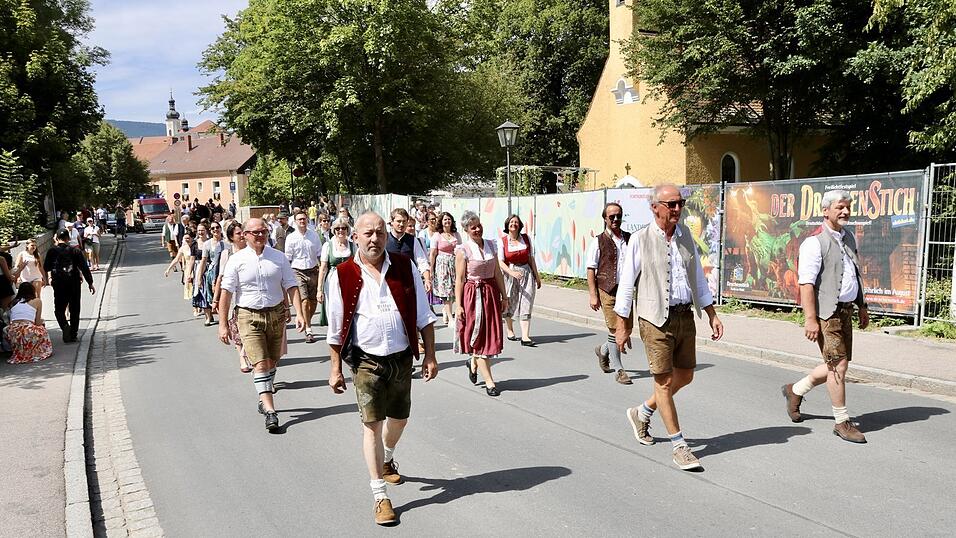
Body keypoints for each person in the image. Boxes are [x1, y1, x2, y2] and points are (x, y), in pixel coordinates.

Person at [325, 212, 438, 526]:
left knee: (399, 420)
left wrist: (430, 355)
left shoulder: (404, 267)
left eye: (379, 233)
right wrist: (335, 369)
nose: (374, 239)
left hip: (401, 358)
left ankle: (387, 458)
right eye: (368, 234)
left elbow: (424, 316)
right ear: (355, 237)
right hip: (366, 362)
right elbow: (335, 330)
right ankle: (380, 497)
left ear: (386, 235)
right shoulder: (341, 274)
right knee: (372, 424)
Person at [615, 184, 723, 471]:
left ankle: (642, 411)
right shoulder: (639, 239)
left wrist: (712, 313)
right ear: (655, 207)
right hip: (654, 319)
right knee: (663, 381)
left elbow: (697, 277)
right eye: (671, 204)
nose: (677, 209)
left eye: (680, 204)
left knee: (685, 375)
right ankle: (679, 445)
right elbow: (626, 285)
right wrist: (621, 326)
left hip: (684, 315)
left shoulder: (686, 235)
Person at [782, 190, 869, 443]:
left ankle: (794, 390)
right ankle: (841, 422)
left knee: (838, 363)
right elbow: (806, 283)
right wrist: (810, 319)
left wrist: (862, 306)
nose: (845, 212)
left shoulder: (849, 237)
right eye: (840, 207)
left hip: (846, 310)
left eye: (847, 208)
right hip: (826, 313)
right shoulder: (814, 242)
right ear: (826, 211)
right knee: (838, 365)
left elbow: (855, 272)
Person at [218, 218, 305, 432]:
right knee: (260, 363)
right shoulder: (236, 260)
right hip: (248, 315)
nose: (260, 235)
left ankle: (263, 392)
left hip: (275, 313)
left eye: (264, 231)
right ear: (245, 235)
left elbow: (291, 285)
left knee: (273, 360)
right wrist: (222, 324)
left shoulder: (279, 258)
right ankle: (270, 410)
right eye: (255, 232)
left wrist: (300, 313)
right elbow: (226, 293)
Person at [455, 210, 508, 397]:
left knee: (489, 335)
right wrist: (459, 304)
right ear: (466, 230)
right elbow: (460, 279)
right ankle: (489, 381)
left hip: (491, 294)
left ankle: (473, 362)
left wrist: (505, 296)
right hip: (473, 296)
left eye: (479, 225)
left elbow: (498, 273)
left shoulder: (492, 245)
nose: (477, 229)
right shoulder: (463, 250)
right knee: (479, 338)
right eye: (473, 227)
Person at [586, 202, 634, 385]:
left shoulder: (629, 238)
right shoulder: (598, 241)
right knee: (615, 330)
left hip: (626, 291)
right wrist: (593, 294)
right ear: (605, 219)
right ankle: (619, 370)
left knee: (627, 330)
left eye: (618, 216)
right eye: (611, 216)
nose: (615, 219)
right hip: (607, 290)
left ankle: (603, 350)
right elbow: (591, 269)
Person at [214, 221, 253, 373]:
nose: (242, 235)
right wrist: (216, 299)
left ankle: (248, 352)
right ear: (231, 237)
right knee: (235, 327)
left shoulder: (253, 250)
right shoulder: (227, 254)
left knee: (248, 327)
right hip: (232, 295)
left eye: (243, 232)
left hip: (248, 294)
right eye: (238, 233)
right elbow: (220, 277)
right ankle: (242, 356)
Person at [43, 229, 95, 343]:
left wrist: (49, 279)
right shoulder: (75, 251)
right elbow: (84, 268)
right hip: (74, 282)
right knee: (74, 309)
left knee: (59, 309)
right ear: (68, 238)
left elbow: (46, 267)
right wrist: (90, 282)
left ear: (56, 238)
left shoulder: (52, 251)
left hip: (59, 283)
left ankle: (65, 326)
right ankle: (73, 334)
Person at [498, 214, 541, 346]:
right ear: (507, 225)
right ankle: (510, 329)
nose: (514, 224)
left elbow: (530, 258)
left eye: (516, 222)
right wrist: (511, 272)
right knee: (510, 302)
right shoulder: (503, 241)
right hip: (510, 274)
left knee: (527, 302)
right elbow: (500, 261)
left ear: (519, 225)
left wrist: (537, 276)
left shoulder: (526, 239)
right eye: (511, 222)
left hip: (526, 273)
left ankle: (525, 336)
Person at [285, 211, 323, 343]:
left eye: (304, 219)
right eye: (299, 219)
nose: (302, 221)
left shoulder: (314, 236)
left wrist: (322, 269)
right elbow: (288, 258)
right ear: (295, 222)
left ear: (307, 220)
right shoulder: (291, 238)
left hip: (313, 270)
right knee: (305, 300)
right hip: (298, 271)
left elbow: (319, 254)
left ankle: (308, 321)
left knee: (313, 302)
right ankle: (308, 329)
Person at [316, 217, 356, 328]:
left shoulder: (353, 246)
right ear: (334, 230)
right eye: (337, 228)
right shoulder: (328, 246)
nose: (340, 231)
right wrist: (319, 290)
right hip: (333, 282)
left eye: (343, 228)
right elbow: (323, 268)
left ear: (347, 230)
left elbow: (358, 265)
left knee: (348, 307)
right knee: (334, 308)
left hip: (349, 281)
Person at [6, 283, 54, 364]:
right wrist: (42, 321)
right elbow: (38, 322)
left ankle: (20, 351)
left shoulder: (13, 303)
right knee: (42, 328)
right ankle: (38, 350)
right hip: (27, 329)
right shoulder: (37, 301)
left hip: (13, 331)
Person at [430, 212, 461, 325]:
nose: (447, 221)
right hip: (442, 265)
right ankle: (450, 318)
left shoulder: (456, 234)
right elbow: (433, 253)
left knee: (455, 290)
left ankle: (446, 310)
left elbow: (461, 249)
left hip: (455, 264)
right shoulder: (437, 236)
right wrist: (431, 269)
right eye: (445, 220)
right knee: (447, 292)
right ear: (441, 222)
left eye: (449, 219)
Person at [196, 222, 226, 326]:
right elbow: (203, 261)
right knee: (209, 295)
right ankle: (209, 317)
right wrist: (199, 277)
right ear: (210, 230)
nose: (215, 230)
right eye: (213, 228)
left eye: (217, 227)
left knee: (224, 295)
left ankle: (224, 318)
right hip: (211, 272)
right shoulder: (207, 244)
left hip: (225, 272)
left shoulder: (226, 243)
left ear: (221, 229)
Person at [164, 232, 196, 303]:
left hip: (196, 267)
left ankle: (199, 304)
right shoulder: (183, 248)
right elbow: (176, 259)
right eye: (185, 238)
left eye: (188, 238)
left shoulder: (196, 246)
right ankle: (195, 306)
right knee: (190, 287)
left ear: (192, 238)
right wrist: (168, 269)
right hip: (188, 269)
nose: (187, 240)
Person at [0, 242, 16, 309]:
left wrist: (12, 246)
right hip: (2, 282)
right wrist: (12, 278)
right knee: (5, 305)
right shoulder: (1, 259)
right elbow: (8, 276)